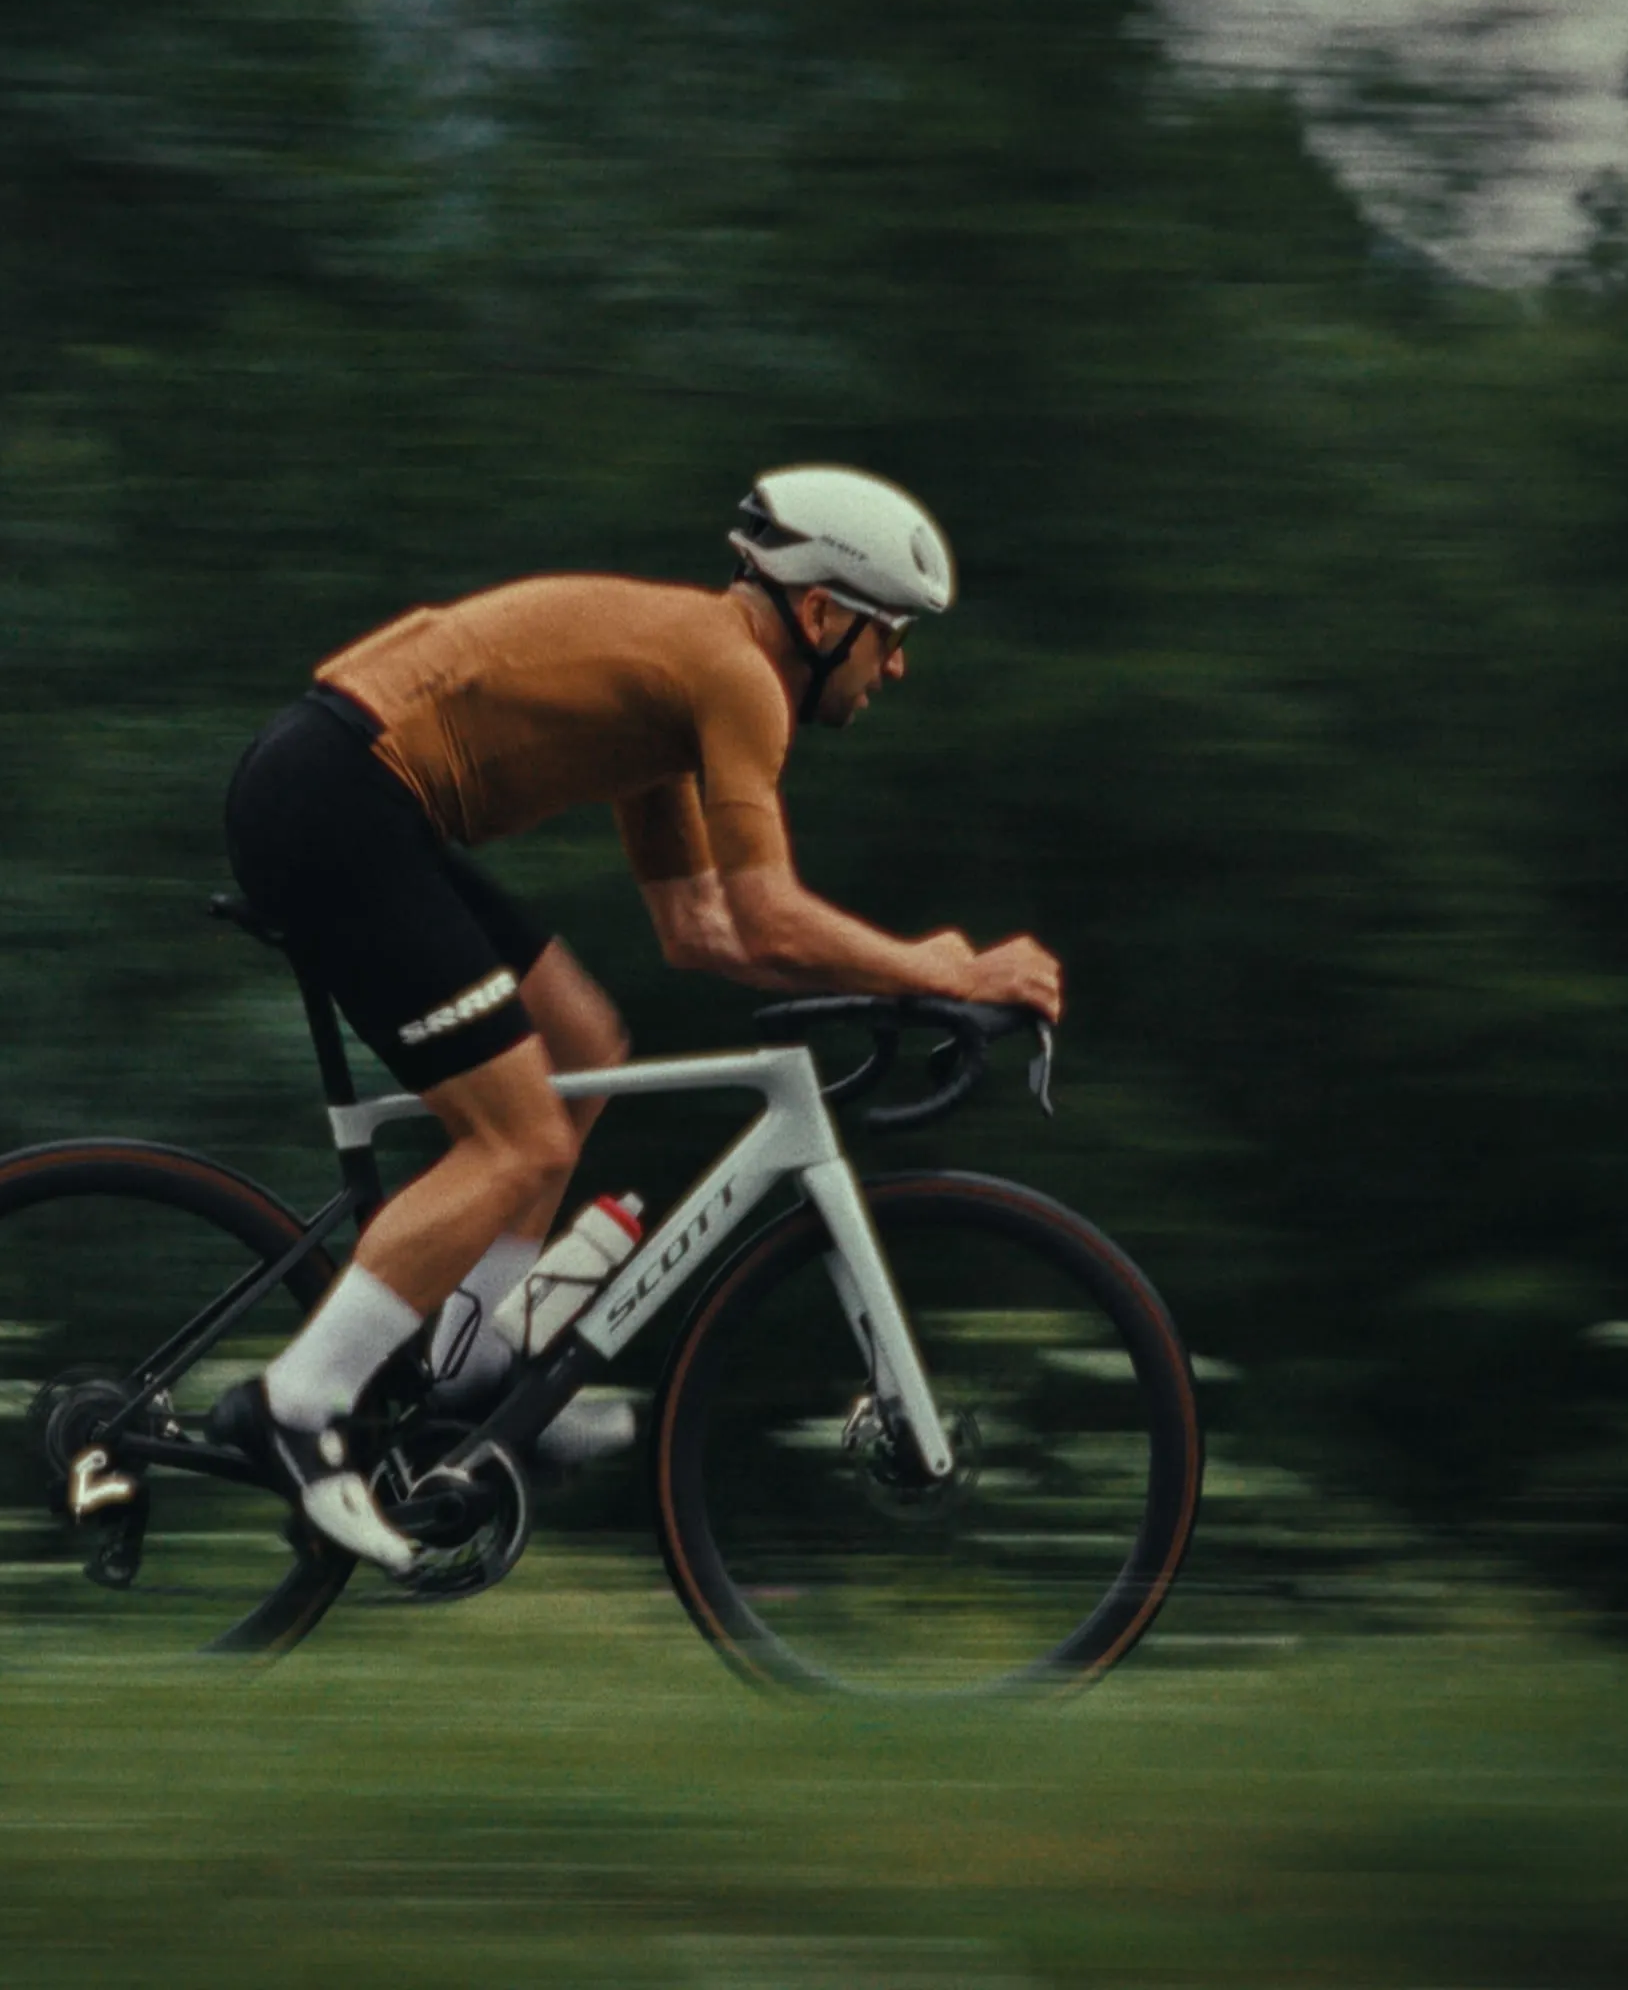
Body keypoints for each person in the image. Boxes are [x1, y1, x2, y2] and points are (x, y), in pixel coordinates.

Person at [213, 465, 1066, 1573]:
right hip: (338, 801)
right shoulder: (737, 677)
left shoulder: (678, 684)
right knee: (515, 1137)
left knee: (583, 1042)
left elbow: (703, 935)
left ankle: (473, 1363)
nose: (897, 665)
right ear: (819, 615)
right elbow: (768, 918)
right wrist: (940, 971)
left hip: (342, 789)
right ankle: (298, 1404)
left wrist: (904, 977)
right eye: (889, 635)